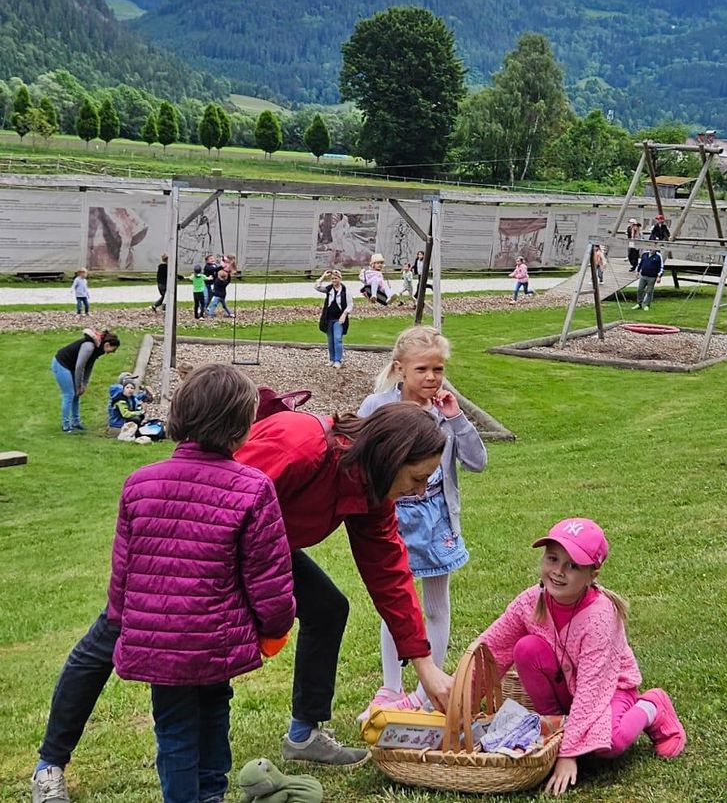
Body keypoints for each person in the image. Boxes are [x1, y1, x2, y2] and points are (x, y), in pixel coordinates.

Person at [30, 403, 452, 801]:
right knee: (113, 630)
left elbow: (389, 574)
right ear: (390, 455)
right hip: (189, 543)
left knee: (326, 607)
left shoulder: (371, 487)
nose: (418, 490)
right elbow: (217, 498)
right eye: (417, 478)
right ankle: (50, 763)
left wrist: (424, 665)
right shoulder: (301, 445)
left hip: (262, 550)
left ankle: (303, 734)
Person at [104, 364, 296, 803]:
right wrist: (275, 624)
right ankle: (210, 795)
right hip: (215, 640)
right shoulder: (253, 488)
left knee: (172, 729)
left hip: (158, 641)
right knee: (213, 714)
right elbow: (268, 577)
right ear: (242, 424)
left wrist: (121, 622)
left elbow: (123, 571)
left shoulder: (139, 484)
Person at [478, 518, 686, 795]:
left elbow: (592, 689)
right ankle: (556, 725)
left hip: (609, 688)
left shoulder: (600, 617)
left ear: (593, 574)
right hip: (569, 688)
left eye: (572, 565)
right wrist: (453, 695)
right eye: (552, 559)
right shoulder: (531, 600)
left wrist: (568, 754)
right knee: (527, 648)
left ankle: (652, 706)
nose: (558, 571)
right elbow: (491, 647)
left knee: (611, 743)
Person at [357, 327, 487, 714]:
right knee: (396, 602)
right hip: (392, 513)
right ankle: (391, 688)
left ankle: (427, 688)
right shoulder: (377, 407)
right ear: (400, 369)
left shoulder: (445, 412)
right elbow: (358, 453)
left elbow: (477, 462)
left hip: (436, 519)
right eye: (422, 369)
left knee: (434, 604)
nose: (431, 378)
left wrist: (457, 418)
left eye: (438, 369)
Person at [51, 329, 120, 433]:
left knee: (76, 395)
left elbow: (89, 365)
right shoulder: (89, 347)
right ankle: (66, 426)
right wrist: (79, 385)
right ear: (107, 344)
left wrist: (84, 384)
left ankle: (76, 422)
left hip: (72, 366)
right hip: (62, 364)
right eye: (113, 350)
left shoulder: (98, 349)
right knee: (69, 394)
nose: (112, 352)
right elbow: (80, 366)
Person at [315, 269, 352, 369]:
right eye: (332, 279)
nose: (334, 281)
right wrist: (323, 276)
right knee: (330, 340)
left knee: (337, 338)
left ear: (340, 279)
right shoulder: (329, 289)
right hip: (328, 318)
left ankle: (338, 360)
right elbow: (317, 287)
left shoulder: (345, 292)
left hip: (338, 319)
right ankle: (331, 359)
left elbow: (350, 305)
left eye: (336, 278)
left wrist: (344, 314)